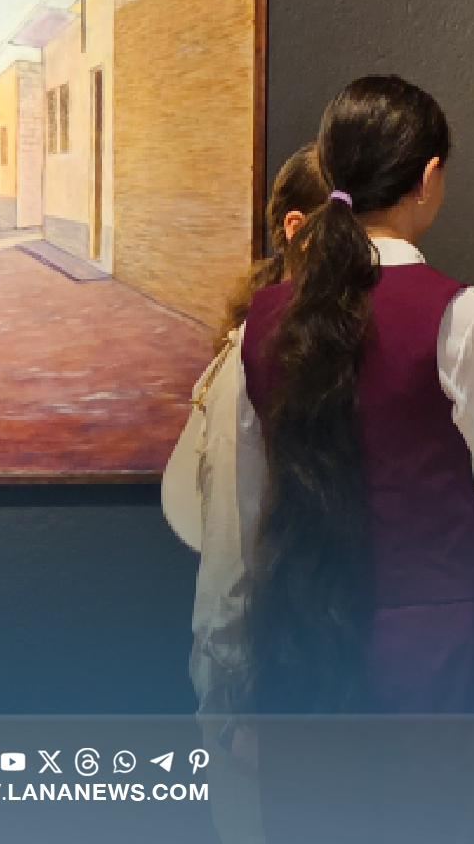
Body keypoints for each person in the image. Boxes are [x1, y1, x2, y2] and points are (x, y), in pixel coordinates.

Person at [241, 76, 474, 840]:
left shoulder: (262, 320)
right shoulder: (466, 318)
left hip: (300, 639)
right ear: (429, 177)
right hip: (435, 650)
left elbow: (250, 507)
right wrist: (453, 604)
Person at [164, 143, 330, 844]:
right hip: (262, 680)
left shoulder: (310, 349)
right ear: (298, 228)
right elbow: (229, 545)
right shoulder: (255, 358)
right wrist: (229, 700)